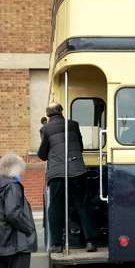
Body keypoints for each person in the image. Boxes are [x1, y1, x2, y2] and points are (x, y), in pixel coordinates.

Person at [38, 102, 97, 253]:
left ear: (48, 114)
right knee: (83, 205)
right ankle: (90, 242)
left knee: (55, 208)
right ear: (61, 111)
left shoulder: (46, 129)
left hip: (58, 174)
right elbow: (80, 147)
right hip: (78, 170)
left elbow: (42, 155)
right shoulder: (74, 125)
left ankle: (57, 244)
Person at [0, 153, 37, 268]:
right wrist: (29, 229)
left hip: (3, 245)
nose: (22, 173)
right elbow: (13, 213)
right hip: (16, 245)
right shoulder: (12, 186)